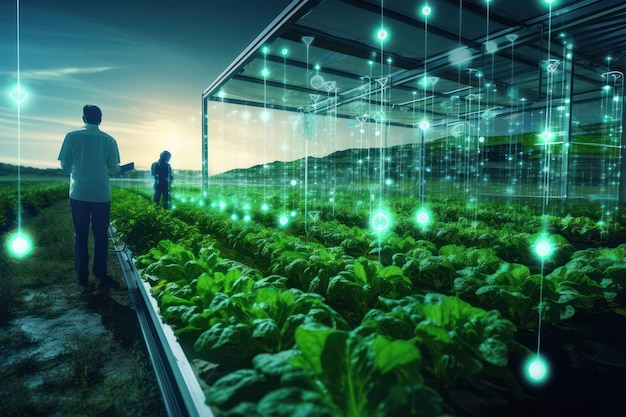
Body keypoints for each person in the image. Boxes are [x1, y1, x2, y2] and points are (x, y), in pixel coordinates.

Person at [58, 104, 121, 290]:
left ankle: (81, 277)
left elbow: (64, 165)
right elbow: (113, 169)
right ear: (100, 120)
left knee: (80, 235)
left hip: (79, 192)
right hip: (101, 193)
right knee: (101, 236)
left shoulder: (72, 136)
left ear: (83, 118)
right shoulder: (109, 140)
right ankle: (100, 273)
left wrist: (78, 172)